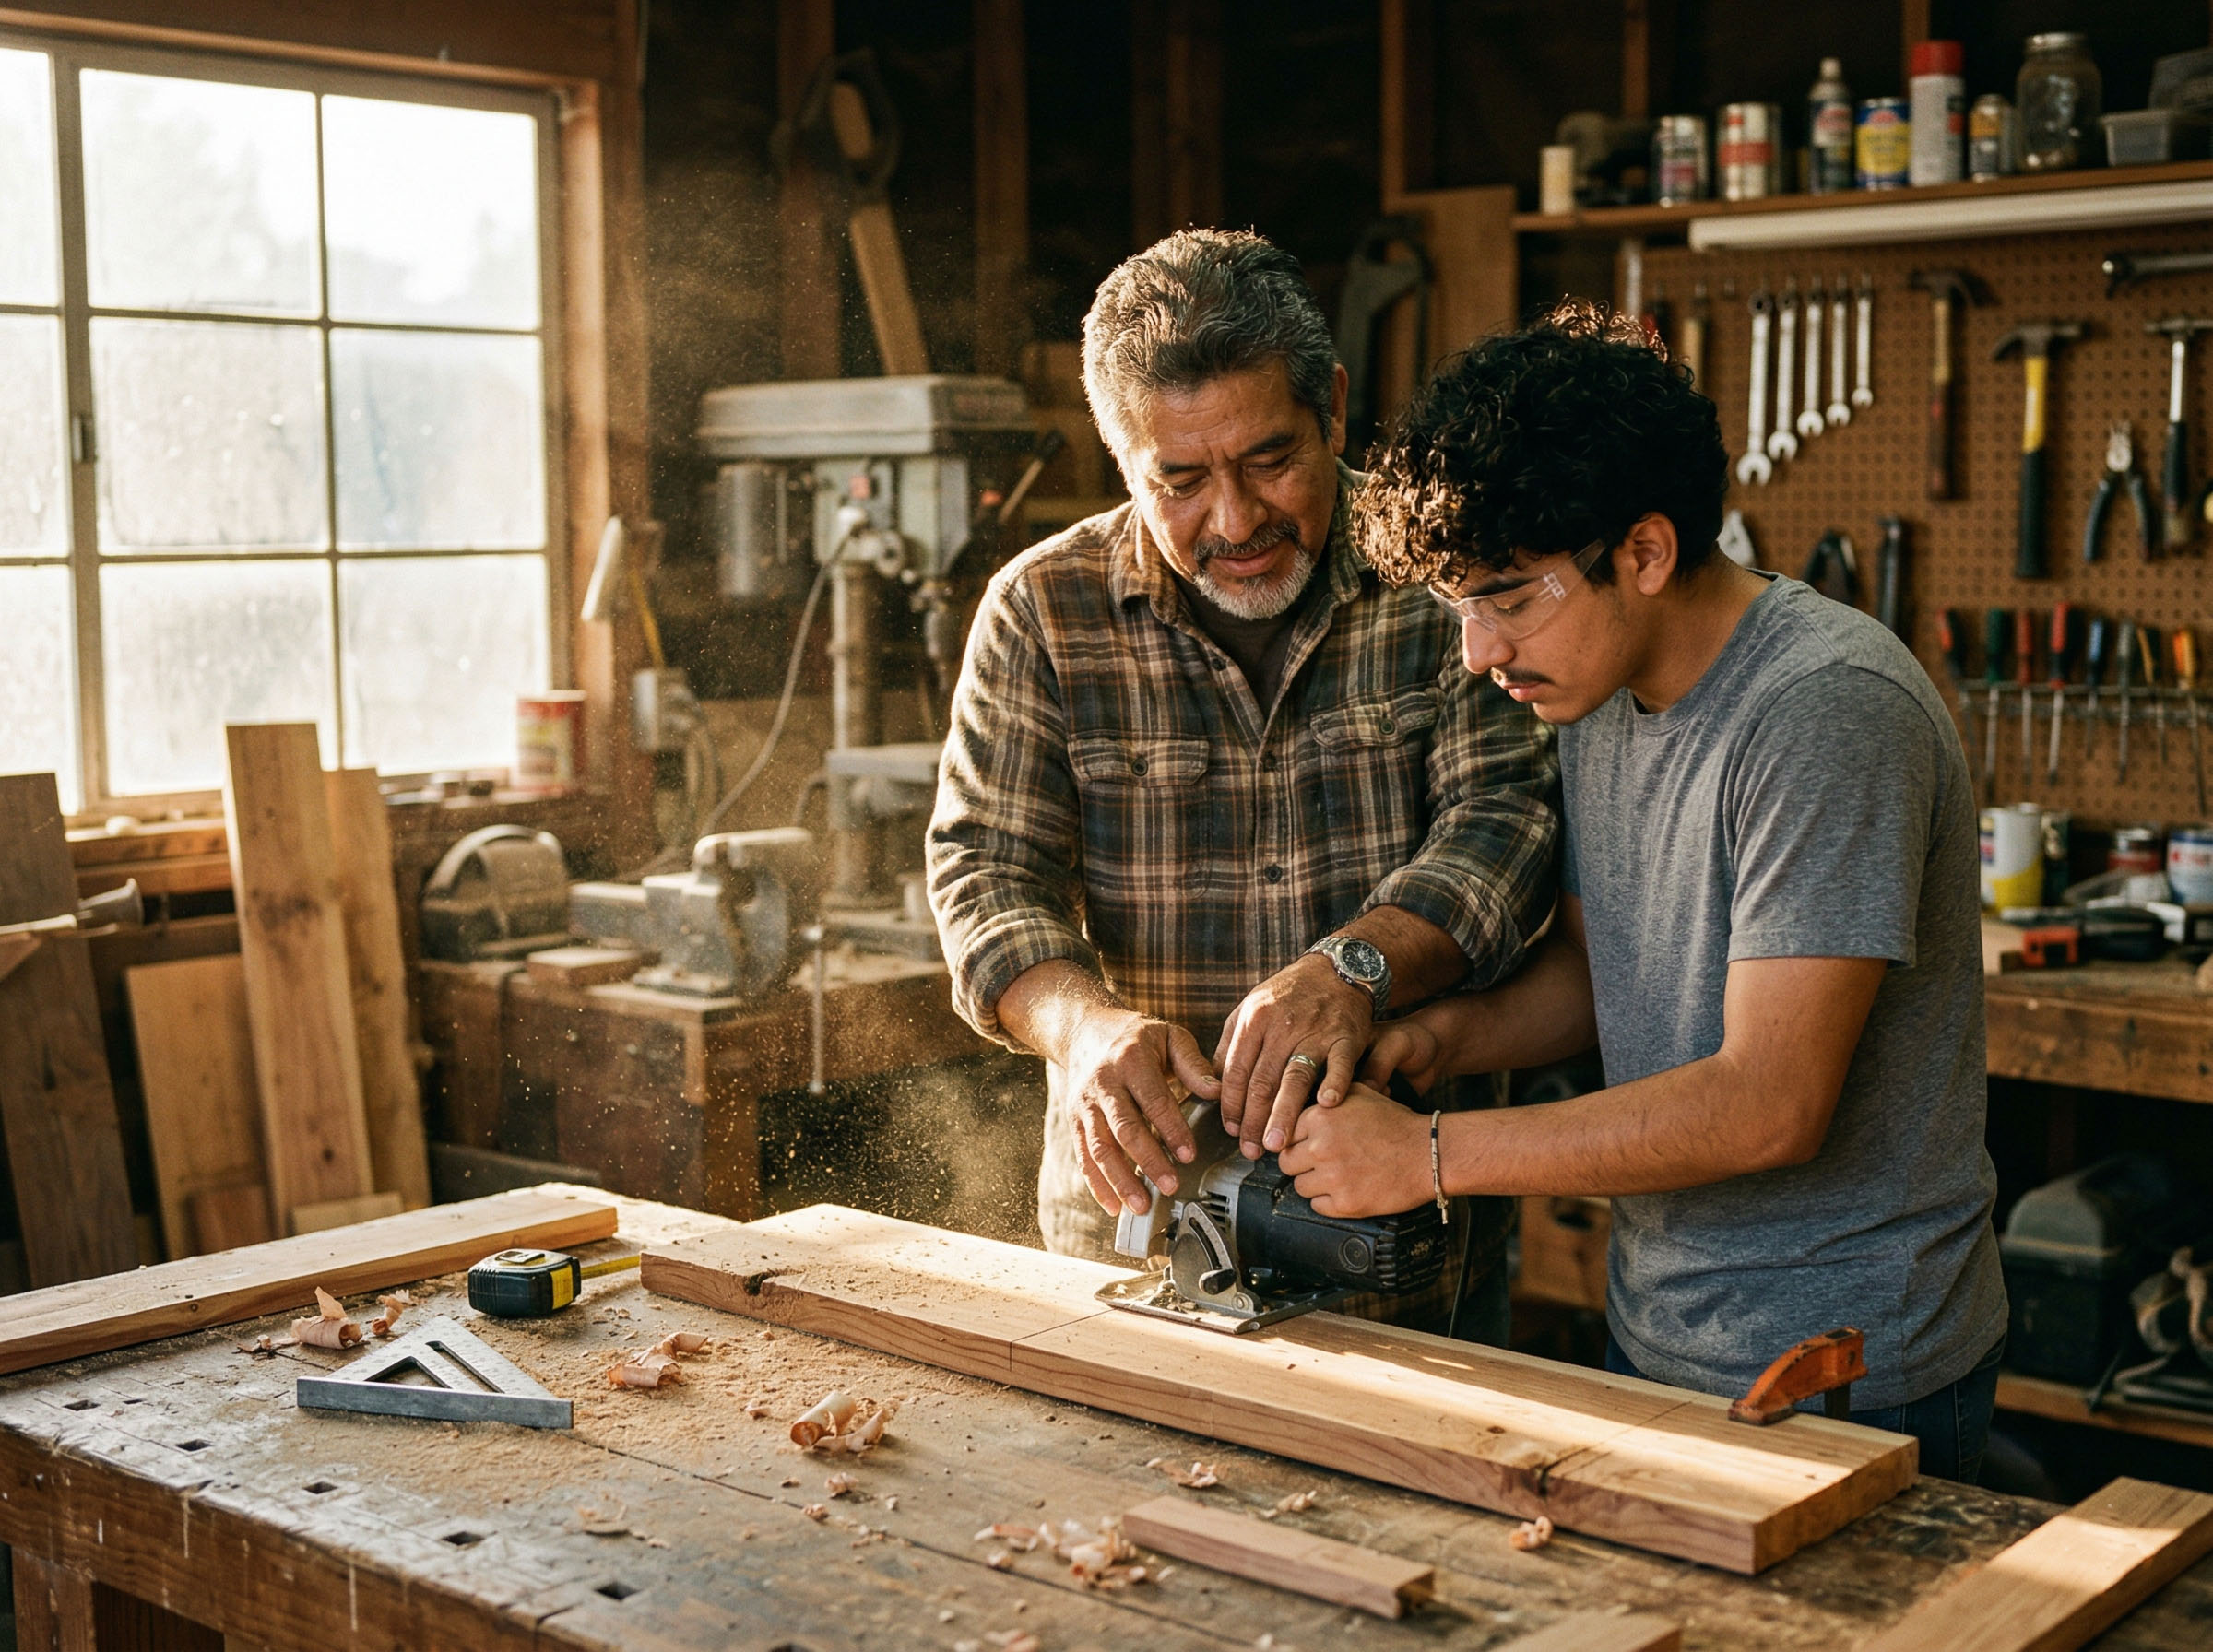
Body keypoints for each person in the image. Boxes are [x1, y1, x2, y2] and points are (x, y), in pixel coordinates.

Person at [1281, 301, 2006, 1478]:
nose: (1476, 652)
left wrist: (1425, 1157)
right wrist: (1440, 1041)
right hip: (1664, 1333)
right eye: (1459, 605)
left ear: (1648, 552)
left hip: (1846, 1372)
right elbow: (1605, 966)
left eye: (1507, 597)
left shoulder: (1825, 710)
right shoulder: (1593, 689)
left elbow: (1770, 1102)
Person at [926, 229, 1558, 1338]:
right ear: (1122, 459)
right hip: (1133, 1243)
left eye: (1271, 459)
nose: (1235, 520)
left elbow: (1506, 827)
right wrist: (1079, 1028)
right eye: (1180, 479)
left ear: (1335, 410)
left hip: (1402, 1248)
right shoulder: (1041, 611)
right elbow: (983, 870)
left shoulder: (1440, 577)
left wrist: (1354, 967)